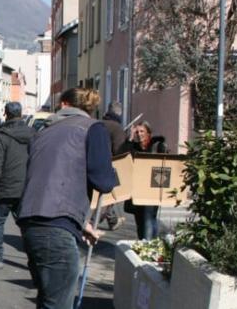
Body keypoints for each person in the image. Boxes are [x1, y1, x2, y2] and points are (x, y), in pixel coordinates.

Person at [19, 88, 118, 309]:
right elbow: (103, 182)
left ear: (64, 105)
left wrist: (81, 224)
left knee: (48, 300)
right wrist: (112, 172)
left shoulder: (43, 131)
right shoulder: (93, 128)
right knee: (56, 304)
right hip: (55, 229)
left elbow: (50, 183)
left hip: (30, 224)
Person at [0, 102, 35, 269]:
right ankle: (34, 260)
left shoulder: (1, 135)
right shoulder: (33, 134)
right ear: (21, 114)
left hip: (4, 189)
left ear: (6, 114)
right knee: (27, 226)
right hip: (26, 188)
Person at [126, 121, 167, 240]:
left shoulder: (157, 146)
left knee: (148, 218)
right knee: (140, 220)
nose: (139, 134)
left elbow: (163, 165)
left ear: (149, 133)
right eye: (137, 132)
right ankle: (148, 244)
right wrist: (130, 138)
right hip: (136, 189)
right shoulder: (133, 147)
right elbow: (123, 156)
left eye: (142, 131)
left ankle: (147, 244)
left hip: (151, 188)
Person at [99, 102, 128, 230]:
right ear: (119, 113)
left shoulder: (98, 124)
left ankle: (112, 220)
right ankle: (94, 220)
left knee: (105, 195)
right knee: (110, 195)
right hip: (108, 165)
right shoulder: (116, 128)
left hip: (95, 162)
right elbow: (119, 150)